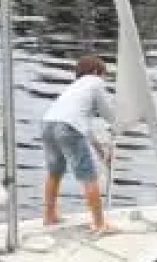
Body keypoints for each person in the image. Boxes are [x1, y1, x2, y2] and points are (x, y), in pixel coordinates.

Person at [42, 53, 116, 234]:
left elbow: (84, 126)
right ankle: (100, 225)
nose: (104, 79)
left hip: (48, 124)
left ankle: (49, 216)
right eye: (104, 74)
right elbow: (108, 115)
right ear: (96, 71)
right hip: (68, 127)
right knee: (89, 177)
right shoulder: (95, 82)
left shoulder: (74, 88)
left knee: (54, 173)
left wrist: (100, 151)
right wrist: (120, 121)